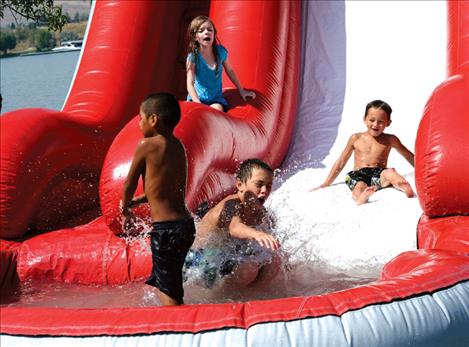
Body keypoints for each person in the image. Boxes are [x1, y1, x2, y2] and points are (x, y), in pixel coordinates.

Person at [121, 92, 195, 306]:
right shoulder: (178, 146)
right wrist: (137, 202)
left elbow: (129, 184)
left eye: (140, 118)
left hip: (166, 230)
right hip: (185, 227)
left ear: (154, 120)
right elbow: (165, 190)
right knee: (171, 282)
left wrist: (125, 209)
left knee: (168, 289)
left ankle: (177, 330)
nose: (138, 123)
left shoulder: (146, 145)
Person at [184, 159, 281, 291]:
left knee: (274, 262)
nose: (264, 191)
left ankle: (251, 298)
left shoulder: (261, 214)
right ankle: (222, 302)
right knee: (248, 269)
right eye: (259, 184)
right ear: (240, 185)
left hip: (225, 257)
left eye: (269, 186)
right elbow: (235, 227)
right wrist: (257, 234)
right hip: (198, 261)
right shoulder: (231, 204)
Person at [312, 99, 415, 205]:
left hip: (378, 174)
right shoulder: (356, 138)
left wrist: (422, 168)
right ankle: (361, 197)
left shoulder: (390, 139)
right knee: (359, 186)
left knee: (390, 172)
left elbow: (407, 155)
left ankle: (402, 185)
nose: (375, 124)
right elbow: (341, 161)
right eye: (372, 120)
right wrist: (326, 183)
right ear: (365, 119)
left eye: (381, 122)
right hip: (358, 174)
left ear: (388, 123)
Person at [186, 15, 256, 111]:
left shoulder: (220, 52)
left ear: (214, 35)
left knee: (216, 111)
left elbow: (230, 70)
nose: (206, 32)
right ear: (195, 37)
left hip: (215, 99)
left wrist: (241, 90)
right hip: (196, 99)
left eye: (210, 30)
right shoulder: (193, 57)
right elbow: (190, 83)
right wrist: (197, 103)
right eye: (201, 30)